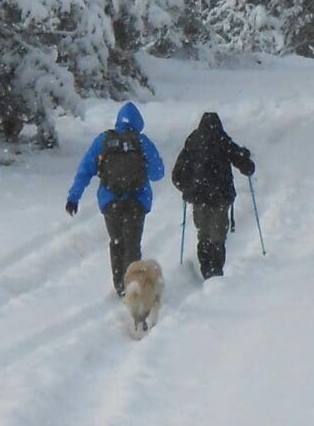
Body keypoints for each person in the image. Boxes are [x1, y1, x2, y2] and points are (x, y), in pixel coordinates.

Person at [65, 100, 166, 295]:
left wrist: (74, 197)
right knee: (132, 244)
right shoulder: (142, 141)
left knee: (117, 242)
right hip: (137, 201)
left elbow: (85, 170)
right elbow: (158, 173)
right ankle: (133, 285)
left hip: (110, 201)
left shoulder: (103, 141)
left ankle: (120, 285)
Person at [170, 111, 256, 280]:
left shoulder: (192, 142)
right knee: (218, 235)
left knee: (203, 234)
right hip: (220, 195)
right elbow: (242, 162)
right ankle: (216, 271)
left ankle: (206, 269)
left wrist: (187, 189)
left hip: (199, 196)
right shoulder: (221, 139)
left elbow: (177, 174)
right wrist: (247, 163)